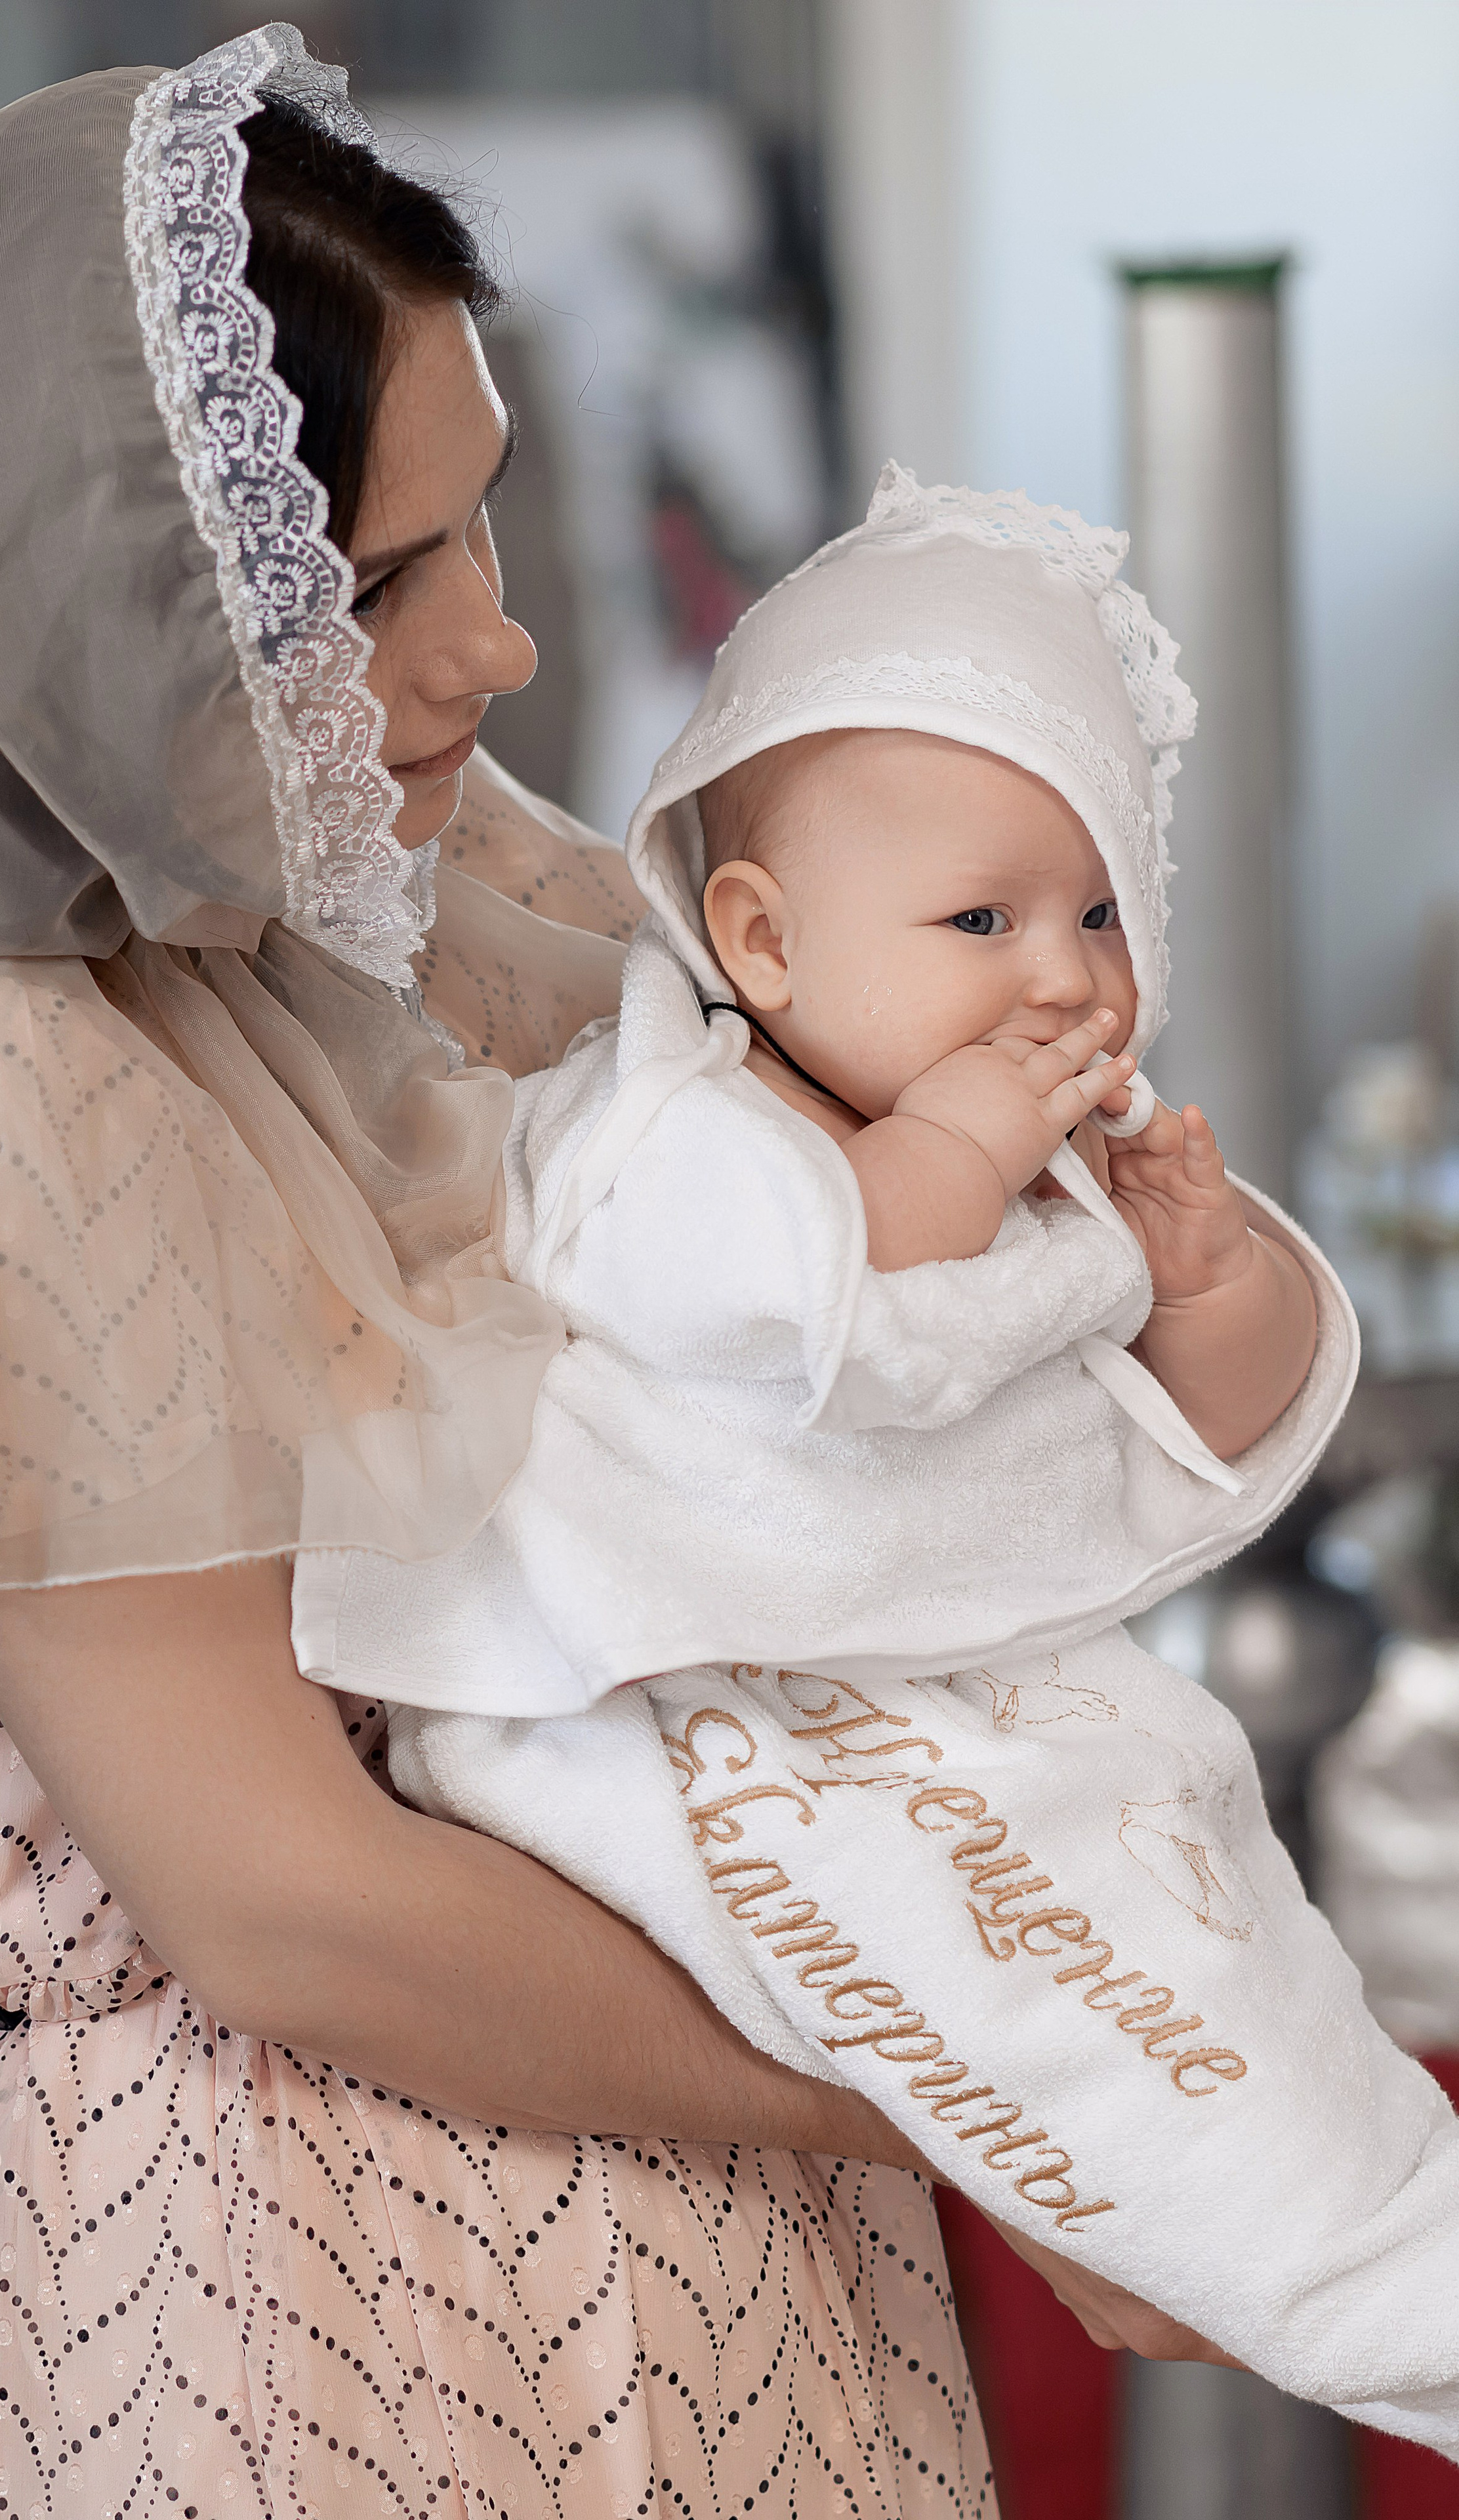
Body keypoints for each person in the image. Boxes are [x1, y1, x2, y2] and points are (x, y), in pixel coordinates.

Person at [0, 27, 1236, 2516]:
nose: (498, 647)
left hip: (738, 2236)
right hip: (275, 2285)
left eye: (484, 525)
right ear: (122, 596)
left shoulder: (382, 866)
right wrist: (992, 2092)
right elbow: (286, 1905)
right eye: (378, 586)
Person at [297, 468, 1459, 2452]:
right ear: (758, 938)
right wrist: (960, 1156)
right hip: (701, 1690)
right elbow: (805, 1308)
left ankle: (1388, 2245)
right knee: (1111, 2049)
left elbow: (1201, 1423)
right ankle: (1371, 2278)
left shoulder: (1037, 1160)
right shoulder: (666, 1125)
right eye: (981, 919)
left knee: (1236, 1953)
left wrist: (1203, 1277)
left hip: (995, 1686)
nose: (1061, 975)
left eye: (1099, 910)